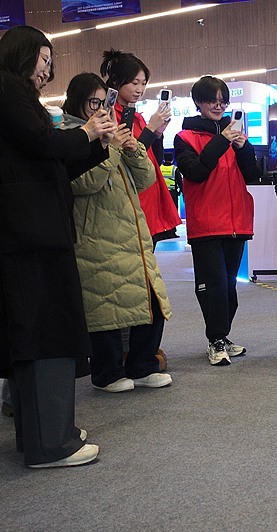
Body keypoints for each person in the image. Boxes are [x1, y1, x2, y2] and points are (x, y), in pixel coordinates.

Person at [0, 25, 116, 468]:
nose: (46, 71)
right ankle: (51, 443)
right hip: (31, 236)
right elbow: (44, 143)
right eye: (43, 60)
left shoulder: (15, 95)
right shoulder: (8, 88)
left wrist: (95, 141)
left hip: (31, 232)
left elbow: (51, 164)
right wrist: (86, 132)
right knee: (46, 333)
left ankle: (41, 435)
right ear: (22, 53)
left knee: (36, 335)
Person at [63, 72, 173, 393]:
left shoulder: (109, 132)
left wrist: (133, 148)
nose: (100, 109)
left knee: (150, 299)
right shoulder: (70, 135)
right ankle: (107, 372)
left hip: (132, 232)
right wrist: (109, 147)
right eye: (93, 103)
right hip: (95, 236)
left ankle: (142, 365)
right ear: (77, 102)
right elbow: (85, 182)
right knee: (105, 305)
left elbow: (146, 180)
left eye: (104, 103)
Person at [174, 76, 261, 366]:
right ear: (198, 102)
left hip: (236, 222)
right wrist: (222, 141)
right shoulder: (184, 137)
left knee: (229, 287)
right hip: (207, 224)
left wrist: (243, 147)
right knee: (213, 287)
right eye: (212, 100)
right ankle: (216, 339)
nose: (219, 106)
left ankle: (222, 336)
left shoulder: (235, 136)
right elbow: (196, 172)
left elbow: (252, 175)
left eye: (223, 101)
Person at [99, 49, 181, 246]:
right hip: (133, 202)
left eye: (143, 83)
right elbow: (128, 159)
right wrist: (150, 129)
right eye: (134, 83)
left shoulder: (136, 116)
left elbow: (152, 159)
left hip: (150, 200)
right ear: (116, 81)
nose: (140, 89)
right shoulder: (109, 117)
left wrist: (157, 134)